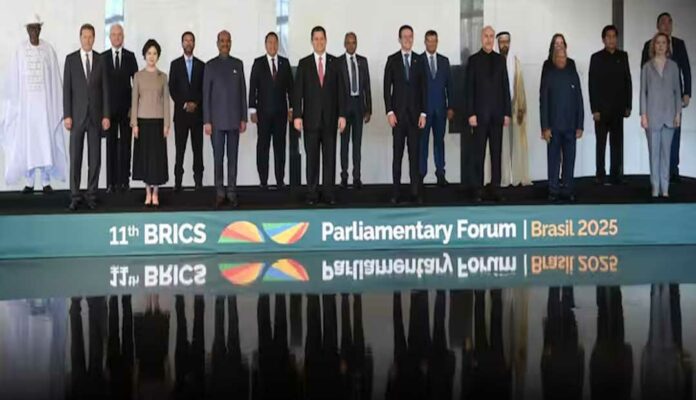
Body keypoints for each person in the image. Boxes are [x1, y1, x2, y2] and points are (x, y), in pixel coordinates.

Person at [0, 14, 67, 194]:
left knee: (44, 142)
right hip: (27, 109)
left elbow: (54, 81)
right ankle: (29, 182)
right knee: (29, 144)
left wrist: (57, 105)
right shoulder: (20, 51)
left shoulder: (48, 50)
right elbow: (13, 80)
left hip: (45, 108)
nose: (33, 31)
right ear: (27, 30)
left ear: (40, 29)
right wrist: (12, 105)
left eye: (36, 27)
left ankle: (45, 181)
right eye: (30, 28)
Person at [293, 26, 346, 206]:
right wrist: (297, 116)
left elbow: (341, 91)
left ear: (326, 40)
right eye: (316, 39)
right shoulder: (304, 63)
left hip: (330, 120)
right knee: (312, 159)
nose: (319, 42)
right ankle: (312, 194)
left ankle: (329, 193)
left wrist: (342, 115)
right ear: (311, 41)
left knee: (329, 158)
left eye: (322, 38)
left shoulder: (335, 63)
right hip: (310, 120)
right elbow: (298, 92)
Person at [63, 23, 110, 211]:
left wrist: (106, 115)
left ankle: (91, 195)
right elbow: (67, 90)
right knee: (75, 158)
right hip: (76, 117)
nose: (88, 40)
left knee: (95, 159)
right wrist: (67, 115)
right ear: (80, 37)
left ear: (94, 38)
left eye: (91, 37)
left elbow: (105, 89)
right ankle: (75, 196)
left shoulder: (101, 60)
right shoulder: (71, 60)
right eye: (85, 36)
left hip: (96, 118)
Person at [641, 12, 691, 183]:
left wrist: (687, 92)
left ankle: (673, 170)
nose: (667, 25)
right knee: (656, 136)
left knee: (674, 133)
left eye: (669, 22)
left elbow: (686, 69)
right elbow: (644, 73)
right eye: (663, 22)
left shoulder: (679, 44)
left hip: (673, 98)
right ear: (657, 26)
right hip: (654, 101)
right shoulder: (649, 45)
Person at [465, 25, 511, 202]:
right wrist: (471, 113)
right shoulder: (473, 60)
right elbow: (469, 89)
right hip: (479, 116)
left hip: (498, 115)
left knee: (496, 154)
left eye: (492, 36)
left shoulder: (500, 60)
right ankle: (477, 189)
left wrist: (507, 112)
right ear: (481, 38)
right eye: (486, 36)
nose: (489, 39)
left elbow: (505, 87)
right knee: (478, 154)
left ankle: (496, 188)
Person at [204, 31, 248, 208]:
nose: (224, 44)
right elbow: (206, 95)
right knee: (218, 159)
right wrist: (207, 120)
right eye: (222, 41)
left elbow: (242, 92)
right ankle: (220, 192)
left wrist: (244, 118)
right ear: (217, 43)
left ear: (231, 43)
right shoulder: (210, 66)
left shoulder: (238, 64)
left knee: (233, 158)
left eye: (227, 41)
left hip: (234, 121)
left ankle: (231, 192)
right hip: (216, 122)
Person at [384, 25, 427, 204]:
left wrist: (423, 113)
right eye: (404, 37)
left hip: (415, 117)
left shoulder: (419, 60)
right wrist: (389, 112)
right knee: (397, 156)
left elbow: (424, 88)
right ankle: (396, 192)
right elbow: (387, 88)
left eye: (410, 36)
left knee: (414, 157)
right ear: (399, 39)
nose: (408, 39)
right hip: (398, 117)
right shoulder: (392, 60)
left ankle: (415, 192)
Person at [249, 32, 293, 190]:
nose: (273, 45)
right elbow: (252, 87)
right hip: (263, 114)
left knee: (280, 147)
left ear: (278, 44)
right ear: (265, 44)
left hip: (281, 113)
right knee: (263, 147)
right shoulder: (258, 63)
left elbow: (291, 88)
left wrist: (292, 108)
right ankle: (263, 181)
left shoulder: (284, 63)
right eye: (270, 42)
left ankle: (280, 180)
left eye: (275, 42)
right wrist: (252, 110)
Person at [640, 33, 682, 199]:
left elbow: (677, 92)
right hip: (652, 116)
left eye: (664, 43)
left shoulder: (674, 66)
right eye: (658, 43)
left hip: (669, 115)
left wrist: (678, 113)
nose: (660, 46)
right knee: (654, 154)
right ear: (653, 45)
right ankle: (655, 186)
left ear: (667, 46)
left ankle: (665, 188)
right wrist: (643, 114)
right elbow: (643, 92)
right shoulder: (647, 67)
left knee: (666, 154)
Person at [589, 25, 632, 186]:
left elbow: (628, 81)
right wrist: (594, 109)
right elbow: (592, 84)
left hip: (618, 108)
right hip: (601, 109)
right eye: (608, 36)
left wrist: (628, 105)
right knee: (600, 144)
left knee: (616, 144)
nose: (611, 39)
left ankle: (616, 175)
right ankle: (600, 175)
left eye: (614, 36)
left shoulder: (623, 56)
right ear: (603, 39)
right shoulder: (596, 58)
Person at [541, 48, 584, 203]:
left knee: (569, 161)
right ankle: (553, 190)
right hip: (553, 128)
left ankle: (567, 190)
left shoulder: (573, 75)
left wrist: (580, 125)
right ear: (554, 58)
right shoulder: (549, 76)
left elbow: (579, 100)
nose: (561, 59)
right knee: (553, 161)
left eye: (563, 57)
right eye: (558, 57)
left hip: (570, 127)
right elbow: (544, 103)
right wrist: (545, 127)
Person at [131, 39, 170, 208]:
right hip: (143, 122)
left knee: (157, 159)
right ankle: (148, 192)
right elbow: (134, 101)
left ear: (158, 56)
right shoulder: (138, 76)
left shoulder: (163, 76)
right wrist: (134, 124)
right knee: (145, 159)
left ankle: (156, 192)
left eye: (154, 53)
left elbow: (166, 101)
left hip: (158, 122)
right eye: (149, 53)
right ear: (144, 55)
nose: (152, 56)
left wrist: (167, 124)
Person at [493, 31, 531, 187]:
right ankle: (502, 178)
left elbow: (520, 87)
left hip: (514, 107)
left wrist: (521, 107)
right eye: (501, 42)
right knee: (499, 144)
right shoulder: (493, 62)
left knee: (516, 143)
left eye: (507, 42)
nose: (504, 45)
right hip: (497, 109)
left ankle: (516, 177)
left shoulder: (516, 63)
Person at [103, 24, 138, 193]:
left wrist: (134, 108)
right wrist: (103, 112)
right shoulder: (102, 58)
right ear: (110, 37)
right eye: (114, 35)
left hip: (126, 110)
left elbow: (136, 84)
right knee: (110, 146)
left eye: (119, 35)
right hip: (108, 111)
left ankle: (124, 181)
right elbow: (100, 87)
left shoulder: (130, 57)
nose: (117, 37)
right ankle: (111, 183)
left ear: (123, 37)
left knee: (126, 146)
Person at [169, 31, 205, 192]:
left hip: (197, 115)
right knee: (180, 150)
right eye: (186, 40)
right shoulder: (175, 64)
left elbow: (204, 89)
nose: (188, 43)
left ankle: (198, 182)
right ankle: (178, 183)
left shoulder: (201, 65)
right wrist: (184, 104)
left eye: (191, 40)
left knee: (198, 150)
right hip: (181, 115)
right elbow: (172, 88)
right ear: (182, 43)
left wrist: (195, 103)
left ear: (194, 43)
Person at [338, 32, 372, 189]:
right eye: (349, 42)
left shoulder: (362, 61)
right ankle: (344, 176)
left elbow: (367, 86)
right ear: (344, 44)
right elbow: (336, 88)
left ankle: (357, 176)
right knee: (344, 143)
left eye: (354, 42)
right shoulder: (338, 62)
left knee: (357, 144)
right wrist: (338, 112)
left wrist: (368, 108)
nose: (351, 45)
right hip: (344, 106)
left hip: (358, 105)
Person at [420, 30, 454, 188]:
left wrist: (451, 106)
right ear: (425, 42)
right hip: (424, 111)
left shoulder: (444, 61)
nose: (432, 43)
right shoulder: (418, 60)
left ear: (437, 42)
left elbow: (450, 86)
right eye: (429, 40)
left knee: (439, 142)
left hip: (441, 110)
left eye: (434, 41)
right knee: (423, 143)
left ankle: (440, 174)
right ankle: (421, 174)